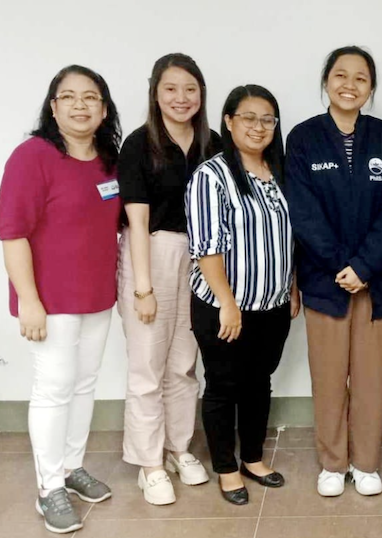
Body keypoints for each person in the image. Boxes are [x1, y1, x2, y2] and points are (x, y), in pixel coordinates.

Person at [0, 65, 120, 534]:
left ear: (104, 108)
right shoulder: (33, 156)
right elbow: (12, 233)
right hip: (49, 301)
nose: (80, 105)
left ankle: (71, 468)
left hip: (97, 297)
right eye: (68, 97)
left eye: (90, 97)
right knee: (53, 389)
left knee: (84, 385)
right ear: (53, 106)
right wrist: (28, 299)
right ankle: (49, 489)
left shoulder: (109, 160)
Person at [286, 46, 382, 497]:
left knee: (372, 376)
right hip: (325, 280)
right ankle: (333, 463)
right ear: (326, 82)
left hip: (375, 280)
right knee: (328, 375)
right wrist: (341, 264)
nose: (349, 85)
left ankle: (366, 461)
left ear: (371, 88)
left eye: (361, 78)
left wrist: (363, 265)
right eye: (341, 75)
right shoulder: (302, 138)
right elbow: (302, 211)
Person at [186, 85, 297, 506]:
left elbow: (289, 237)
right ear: (229, 121)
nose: (258, 126)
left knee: (259, 382)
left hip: (273, 304)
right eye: (248, 117)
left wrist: (292, 286)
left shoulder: (279, 172)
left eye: (267, 119)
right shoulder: (211, 175)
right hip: (224, 307)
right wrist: (227, 303)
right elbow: (206, 247)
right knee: (223, 385)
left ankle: (252, 457)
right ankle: (226, 468)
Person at [116, 53, 219, 506]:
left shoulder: (212, 143)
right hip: (152, 253)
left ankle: (178, 449)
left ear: (201, 94)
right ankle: (149, 464)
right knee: (147, 368)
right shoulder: (139, 145)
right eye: (171, 89)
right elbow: (136, 222)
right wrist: (143, 288)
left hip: (200, 258)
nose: (181, 98)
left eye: (190, 89)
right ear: (155, 92)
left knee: (183, 364)